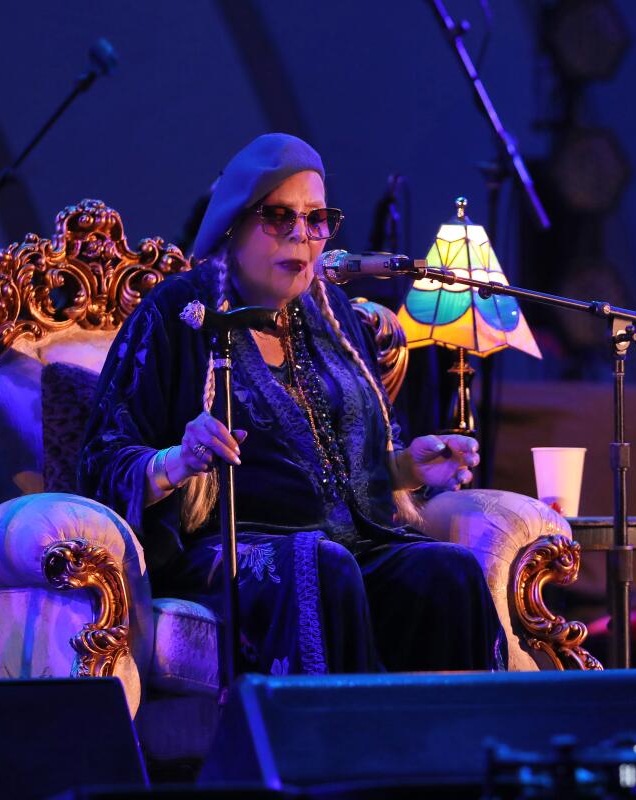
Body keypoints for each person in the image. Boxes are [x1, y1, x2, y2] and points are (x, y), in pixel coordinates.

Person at [79, 133, 506, 674]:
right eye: (280, 217)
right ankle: (321, 755)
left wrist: (406, 467)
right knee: (321, 568)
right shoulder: (178, 313)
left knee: (448, 572)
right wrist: (179, 460)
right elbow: (101, 462)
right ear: (234, 225)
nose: (303, 236)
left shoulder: (333, 316)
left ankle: (440, 755)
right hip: (227, 546)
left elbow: (358, 472)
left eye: (316, 218)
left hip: (351, 542)